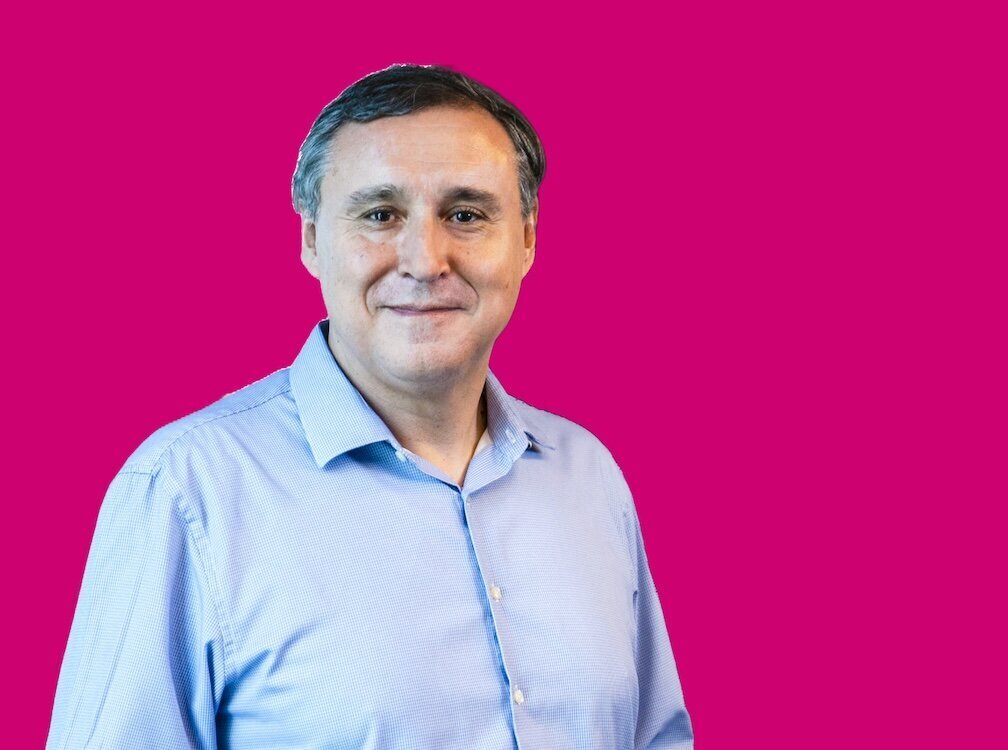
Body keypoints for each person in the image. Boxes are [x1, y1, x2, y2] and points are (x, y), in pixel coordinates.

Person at [46, 64, 694, 750]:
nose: (425, 260)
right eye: (380, 215)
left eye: (466, 215)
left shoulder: (587, 475)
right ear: (311, 240)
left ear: (527, 240)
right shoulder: (188, 489)